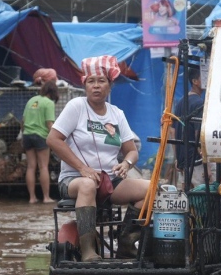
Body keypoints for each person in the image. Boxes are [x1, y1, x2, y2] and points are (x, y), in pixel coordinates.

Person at [47, 56, 150, 261]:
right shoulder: (76, 106)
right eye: (91, 81)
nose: (96, 86)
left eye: (101, 81)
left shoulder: (116, 114)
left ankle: (126, 245)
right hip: (74, 179)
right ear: (85, 85)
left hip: (109, 181)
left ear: (110, 85)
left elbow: (132, 151)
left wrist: (125, 163)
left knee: (151, 189)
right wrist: (83, 168)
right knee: (87, 185)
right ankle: (88, 251)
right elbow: (53, 139)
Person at [21, 80, 59, 204]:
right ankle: (46, 197)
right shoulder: (49, 103)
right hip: (41, 136)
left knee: (31, 167)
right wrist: (56, 138)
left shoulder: (31, 100)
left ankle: (32, 198)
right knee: (43, 166)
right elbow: (49, 123)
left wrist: (24, 134)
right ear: (53, 92)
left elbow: (23, 121)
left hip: (27, 135)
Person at [171, 66, 209, 189]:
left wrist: (177, 158)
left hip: (183, 160)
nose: (207, 79)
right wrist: (206, 165)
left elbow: (173, 133)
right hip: (196, 162)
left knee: (187, 198)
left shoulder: (181, 102)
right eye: (204, 77)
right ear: (195, 81)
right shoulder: (199, 103)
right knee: (201, 199)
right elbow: (199, 134)